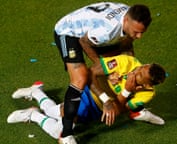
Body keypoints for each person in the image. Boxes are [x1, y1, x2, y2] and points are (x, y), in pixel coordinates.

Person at [8, 55, 166, 144]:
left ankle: (36, 93)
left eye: (138, 75)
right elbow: (90, 73)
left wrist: (126, 91)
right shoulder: (127, 62)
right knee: (60, 132)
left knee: (52, 112)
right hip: (86, 95)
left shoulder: (147, 94)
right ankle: (32, 115)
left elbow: (118, 111)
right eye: (140, 67)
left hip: (97, 112)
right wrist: (106, 95)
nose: (134, 71)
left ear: (143, 85)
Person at [53, 2, 152, 142]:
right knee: (80, 78)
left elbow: (126, 46)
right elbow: (84, 42)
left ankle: (135, 109)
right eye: (136, 32)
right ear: (126, 20)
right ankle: (66, 135)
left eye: (142, 32)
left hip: (92, 31)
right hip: (68, 32)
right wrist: (106, 70)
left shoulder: (131, 16)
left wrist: (128, 67)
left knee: (120, 61)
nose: (139, 36)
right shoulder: (106, 31)